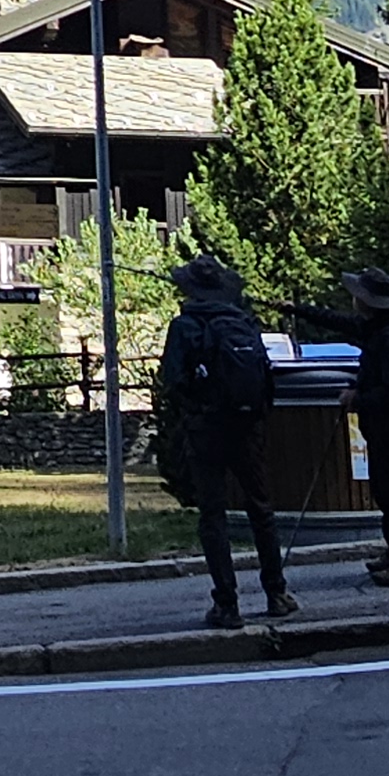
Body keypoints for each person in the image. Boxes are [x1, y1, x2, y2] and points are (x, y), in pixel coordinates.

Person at [157, 257, 297, 628]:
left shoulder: (185, 326)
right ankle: (277, 593)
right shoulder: (244, 322)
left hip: (206, 427)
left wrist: (192, 410)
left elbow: (172, 380)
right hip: (247, 426)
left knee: (213, 514)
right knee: (260, 508)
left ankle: (227, 604)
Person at [283, 265, 389, 586]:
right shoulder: (381, 327)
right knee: (386, 490)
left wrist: (358, 397)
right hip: (385, 425)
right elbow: (338, 321)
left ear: (367, 301)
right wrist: (297, 310)